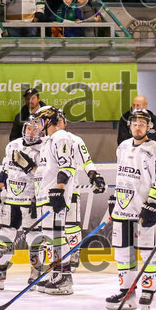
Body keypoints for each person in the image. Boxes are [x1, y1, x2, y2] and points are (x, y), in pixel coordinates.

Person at [34, 105, 106, 295]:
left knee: (57, 234)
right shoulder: (48, 141)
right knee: (50, 236)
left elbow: (69, 165)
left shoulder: (62, 137)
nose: (39, 124)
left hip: (56, 193)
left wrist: (60, 189)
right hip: (46, 194)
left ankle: (63, 276)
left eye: (41, 120)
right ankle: (56, 272)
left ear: (49, 120)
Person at [106, 109, 156, 310]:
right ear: (129, 125)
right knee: (123, 253)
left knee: (147, 252)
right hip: (123, 211)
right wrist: (114, 198)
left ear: (149, 127)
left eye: (142, 123)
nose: (138, 126)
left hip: (144, 212)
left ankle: (147, 291)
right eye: (134, 122)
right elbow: (122, 176)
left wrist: (152, 207)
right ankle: (126, 291)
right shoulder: (123, 147)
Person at [0, 117, 45, 289]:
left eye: (35, 129)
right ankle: (0, 273)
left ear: (41, 131)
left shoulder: (44, 148)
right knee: (5, 235)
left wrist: (29, 166)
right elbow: (5, 167)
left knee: (34, 238)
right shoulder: (13, 145)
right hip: (11, 199)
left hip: (30, 200)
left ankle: (37, 273)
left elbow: (44, 175)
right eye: (28, 128)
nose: (30, 132)